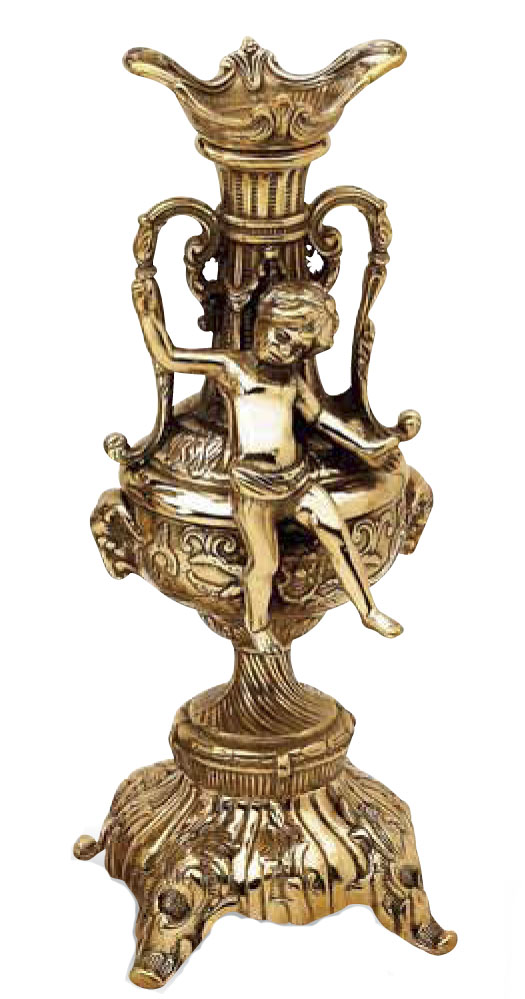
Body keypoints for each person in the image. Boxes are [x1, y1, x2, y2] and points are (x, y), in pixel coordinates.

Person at [132, 276, 403, 648]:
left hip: (297, 481)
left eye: (297, 347)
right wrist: (147, 314)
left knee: (337, 534)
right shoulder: (232, 368)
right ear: (261, 322)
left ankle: (368, 610)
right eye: (280, 335)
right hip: (253, 490)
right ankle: (257, 626)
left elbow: (322, 418)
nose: (283, 349)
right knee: (264, 564)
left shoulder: (292, 380)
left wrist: (365, 446)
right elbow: (170, 357)